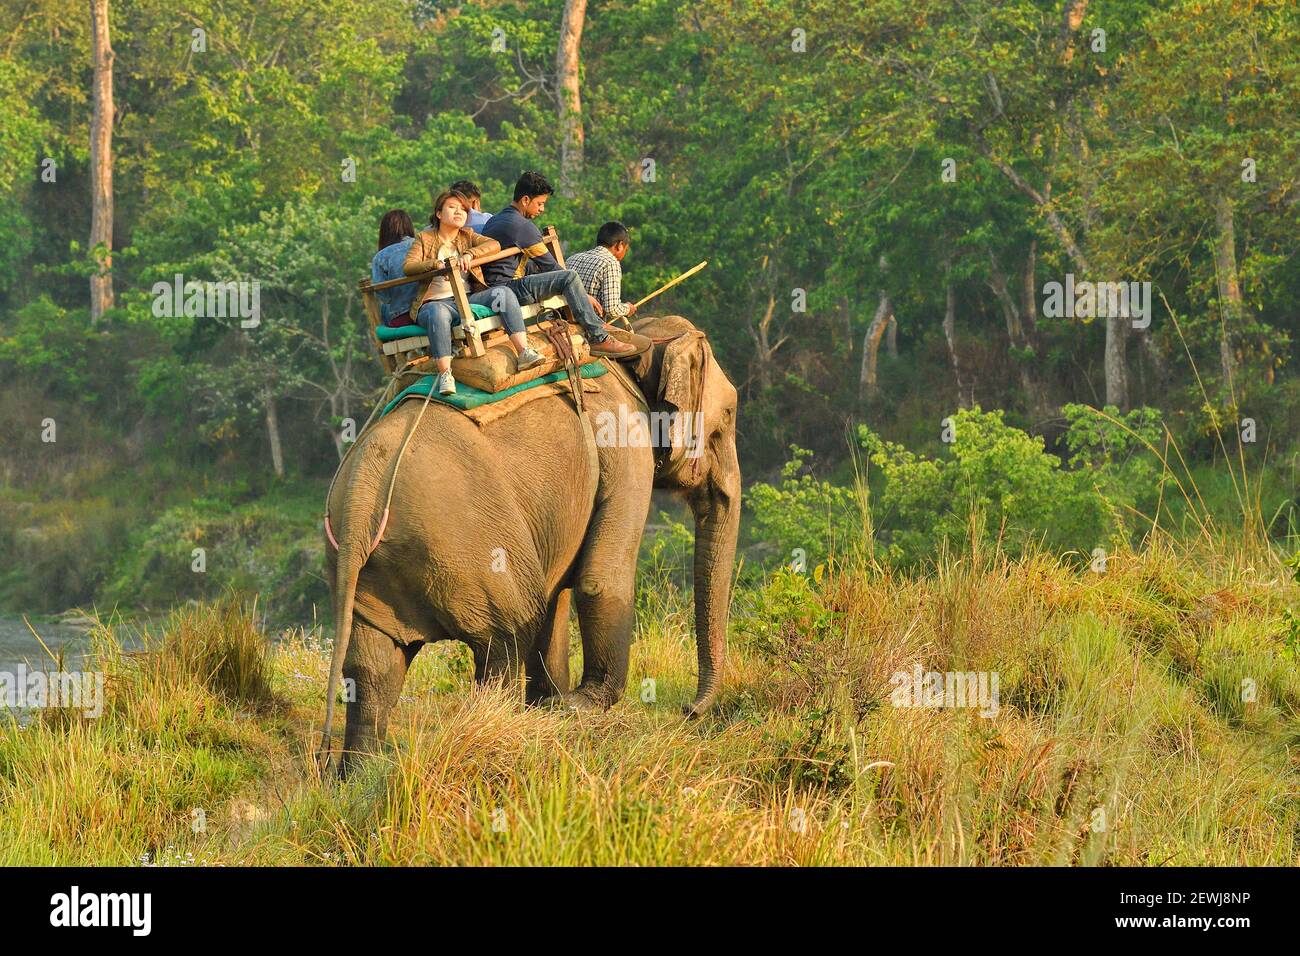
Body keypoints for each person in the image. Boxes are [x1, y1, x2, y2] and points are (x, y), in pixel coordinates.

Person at [480, 171, 636, 358]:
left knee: (538, 268)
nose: (542, 209)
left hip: (492, 288)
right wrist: (584, 295)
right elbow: (551, 268)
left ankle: (588, 322)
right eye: (540, 203)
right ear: (525, 200)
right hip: (507, 290)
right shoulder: (523, 227)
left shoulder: (495, 219)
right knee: (569, 277)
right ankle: (598, 337)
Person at [404, 189, 545, 395]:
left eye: (463, 209)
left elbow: (494, 245)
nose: (459, 212)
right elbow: (408, 267)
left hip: (468, 298)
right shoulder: (424, 238)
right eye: (452, 207)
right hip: (435, 302)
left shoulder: (467, 235)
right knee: (438, 314)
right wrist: (434, 265)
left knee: (503, 294)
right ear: (439, 214)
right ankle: (446, 374)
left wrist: (470, 253)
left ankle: (523, 352)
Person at [567, 221, 637, 330]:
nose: (624, 254)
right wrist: (628, 308)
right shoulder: (610, 263)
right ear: (619, 245)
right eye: (626, 249)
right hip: (587, 325)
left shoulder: (573, 258)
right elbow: (612, 309)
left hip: (562, 318)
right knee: (645, 345)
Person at [371, 210, 418, 327]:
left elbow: (384, 296)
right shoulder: (422, 244)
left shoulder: (380, 257)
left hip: (402, 317)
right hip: (429, 306)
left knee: (385, 308)